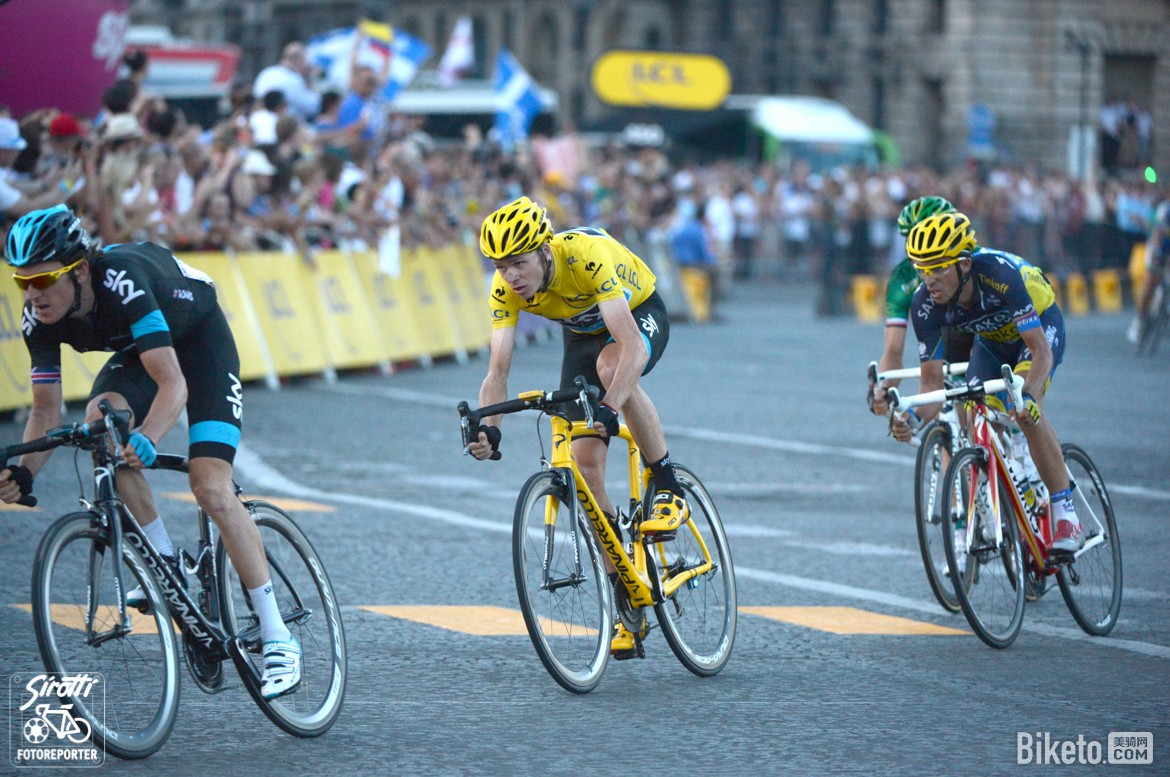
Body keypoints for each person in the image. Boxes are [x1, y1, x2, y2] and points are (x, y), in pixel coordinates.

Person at [0, 206, 300, 698]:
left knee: (210, 485)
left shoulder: (124, 281)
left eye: (44, 280)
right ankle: (165, 562)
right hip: (144, 349)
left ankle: (276, 635)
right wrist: (24, 473)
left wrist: (150, 437)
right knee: (101, 428)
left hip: (198, 343)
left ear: (77, 271)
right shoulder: (40, 319)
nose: (33, 295)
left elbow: (173, 384)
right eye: (22, 283)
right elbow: (45, 412)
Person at [468, 196, 690, 658]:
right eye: (501, 266)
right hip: (583, 334)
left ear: (545, 251)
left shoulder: (585, 256)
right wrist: (490, 428)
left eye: (519, 264)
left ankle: (668, 484)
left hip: (637, 313)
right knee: (585, 464)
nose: (511, 276)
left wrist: (610, 408)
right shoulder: (505, 287)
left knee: (613, 371)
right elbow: (498, 369)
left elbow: (629, 347)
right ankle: (624, 588)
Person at [890, 212, 1082, 554]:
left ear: (964, 265)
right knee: (968, 410)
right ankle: (1011, 486)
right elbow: (932, 387)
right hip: (992, 341)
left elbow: (1041, 354)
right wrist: (914, 420)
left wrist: (1028, 398)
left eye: (937, 268)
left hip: (1038, 331)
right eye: (921, 268)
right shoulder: (925, 304)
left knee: (1021, 407)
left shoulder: (999, 275)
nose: (928, 279)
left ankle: (1063, 508)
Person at [869, 196, 967, 415]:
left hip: (979, 332)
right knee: (951, 416)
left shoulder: (970, 265)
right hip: (943, 337)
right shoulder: (902, 277)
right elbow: (893, 350)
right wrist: (883, 390)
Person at [1128, 194, 1170, 344]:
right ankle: (1139, 319)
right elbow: (1159, 234)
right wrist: (1159, 256)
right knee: (1151, 280)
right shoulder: (1166, 210)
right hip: (1159, 247)